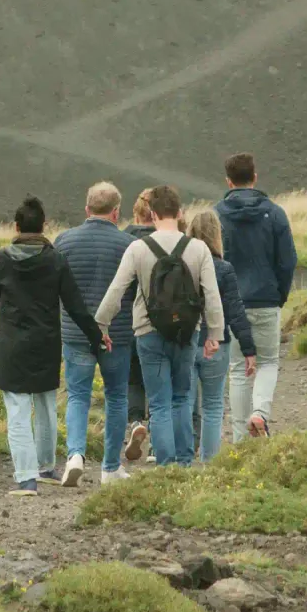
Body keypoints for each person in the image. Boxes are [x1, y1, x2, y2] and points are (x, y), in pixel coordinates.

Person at [93, 185, 226, 470]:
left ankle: (165, 465)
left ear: (152, 214)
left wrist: (101, 326)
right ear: (179, 213)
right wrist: (214, 334)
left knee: (159, 402)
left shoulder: (138, 248)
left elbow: (115, 291)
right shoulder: (199, 248)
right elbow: (212, 296)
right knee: (181, 397)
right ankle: (185, 462)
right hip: (187, 334)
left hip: (148, 333)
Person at [0, 196, 107, 495]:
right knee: (46, 405)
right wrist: (96, 335)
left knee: (17, 409)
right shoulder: (55, 259)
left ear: (15, 227)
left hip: (11, 342)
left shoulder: (2, 259)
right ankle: (46, 467)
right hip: (46, 341)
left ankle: (26, 478)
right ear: (44, 226)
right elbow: (76, 306)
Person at [57, 182, 138, 485]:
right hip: (116, 333)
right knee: (116, 396)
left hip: (75, 332)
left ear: (87, 209)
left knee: (78, 395)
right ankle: (110, 468)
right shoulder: (127, 244)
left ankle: (75, 455)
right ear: (117, 212)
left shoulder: (64, 241)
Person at [216, 153, 298, 438]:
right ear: (255, 176)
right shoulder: (274, 213)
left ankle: (240, 439)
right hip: (266, 300)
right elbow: (287, 261)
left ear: (228, 180)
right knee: (268, 362)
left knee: (238, 369)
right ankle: (260, 413)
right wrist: (279, 295)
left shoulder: (217, 214)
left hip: (230, 304)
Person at [183, 203, 260, 463]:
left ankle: (182, 462)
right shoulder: (224, 268)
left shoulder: (182, 265)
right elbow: (236, 312)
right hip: (218, 343)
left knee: (185, 403)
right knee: (213, 406)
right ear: (217, 235)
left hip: (186, 343)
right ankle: (210, 463)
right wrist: (249, 349)